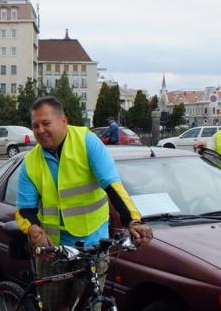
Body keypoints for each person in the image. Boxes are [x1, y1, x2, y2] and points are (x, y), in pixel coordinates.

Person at [15, 96, 153, 311]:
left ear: (63, 121)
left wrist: (133, 221)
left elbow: (112, 185)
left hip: (93, 244)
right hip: (54, 247)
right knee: (54, 306)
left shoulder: (86, 141)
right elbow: (25, 209)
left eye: (46, 123)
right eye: (35, 125)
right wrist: (33, 228)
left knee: (89, 306)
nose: (40, 130)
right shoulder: (30, 162)